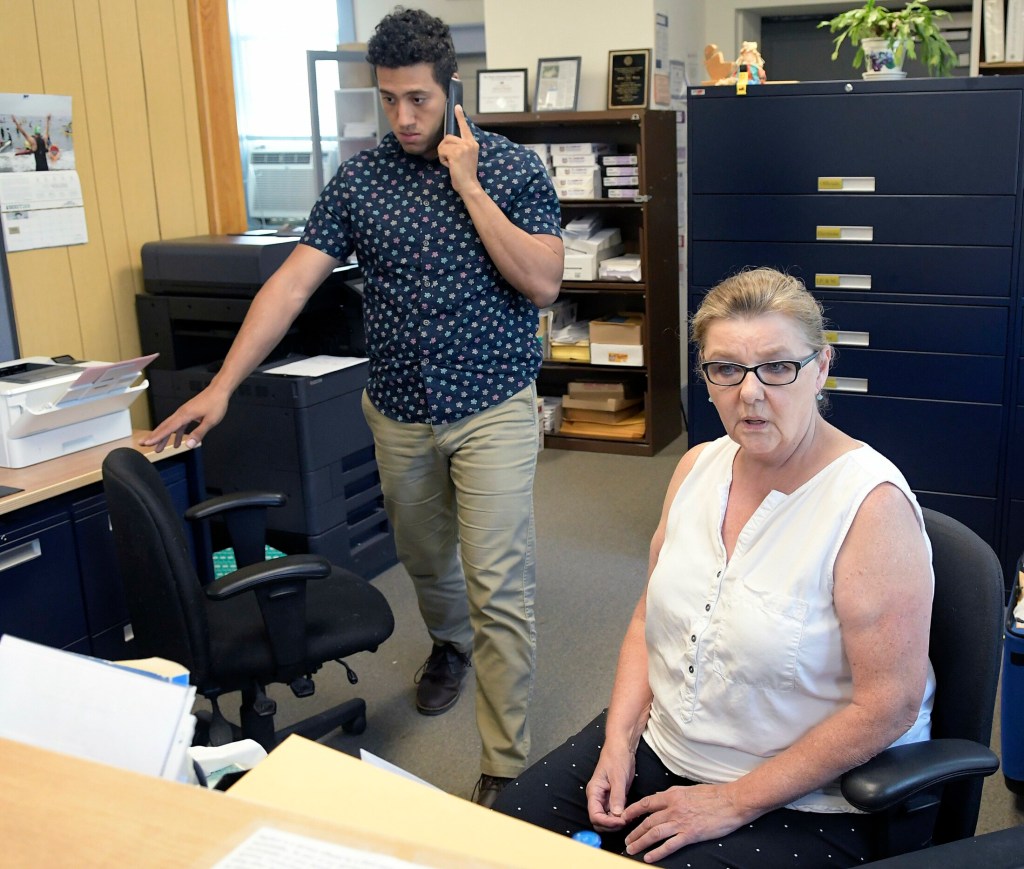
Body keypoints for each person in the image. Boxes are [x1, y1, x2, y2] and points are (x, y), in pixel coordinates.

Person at [141, 7, 563, 807]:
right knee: (427, 558)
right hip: (400, 409)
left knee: (499, 581)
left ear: (451, 91)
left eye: (419, 101)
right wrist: (223, 384)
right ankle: (448, 644)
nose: (403, 117)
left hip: (492, 405)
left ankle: (506, 769)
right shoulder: (361, 181)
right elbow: (293, 281)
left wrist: (467, 185)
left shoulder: (509, 168)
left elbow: (542, 282)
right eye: (389, 100)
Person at [492, 267, 935, 867]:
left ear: (822, 366)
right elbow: (653, 611)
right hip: (665, 744)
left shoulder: (870, 507)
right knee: (496, 839)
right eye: (726, 369)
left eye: (778, 367)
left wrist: (732, 801)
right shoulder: (697, 466)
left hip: (804, 797)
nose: (750, 393)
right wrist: (618, 742)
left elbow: (890, 705)